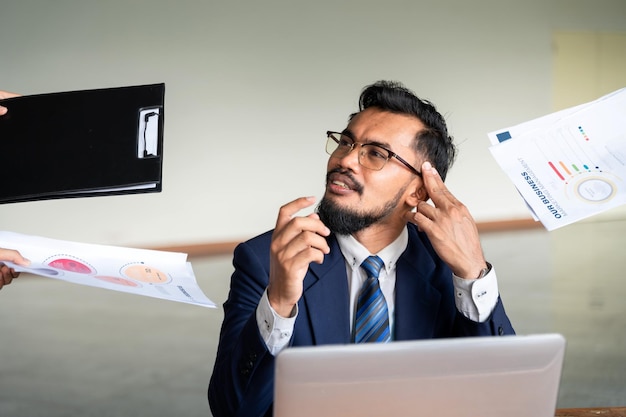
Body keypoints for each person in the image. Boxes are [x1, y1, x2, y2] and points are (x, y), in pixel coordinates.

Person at [208, 80, 515, 417]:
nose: (346, 160)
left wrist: (474, 274)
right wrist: (279, 303)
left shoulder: (448, 269)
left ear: (418, 192)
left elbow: (504, 396)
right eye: (346, 142)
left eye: (376, 154)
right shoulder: (266, 260)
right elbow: (231, 409)